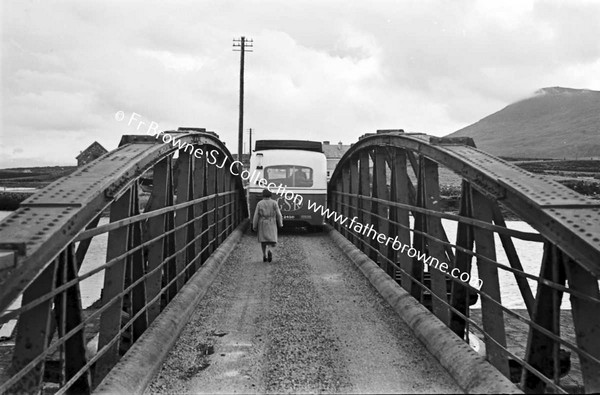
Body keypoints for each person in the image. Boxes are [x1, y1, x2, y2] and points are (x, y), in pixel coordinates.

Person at [252, 188, 283, 262]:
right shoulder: (274, 203)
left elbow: (256, 215)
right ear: (270, 195)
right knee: (271, 240)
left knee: (263, 241)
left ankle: (264, 255)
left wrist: (254, 225)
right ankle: (270, 250)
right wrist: (280, 223)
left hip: (262, 222)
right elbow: (279, 214)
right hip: (272, 222)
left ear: (263, 195)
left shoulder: (260, 203)